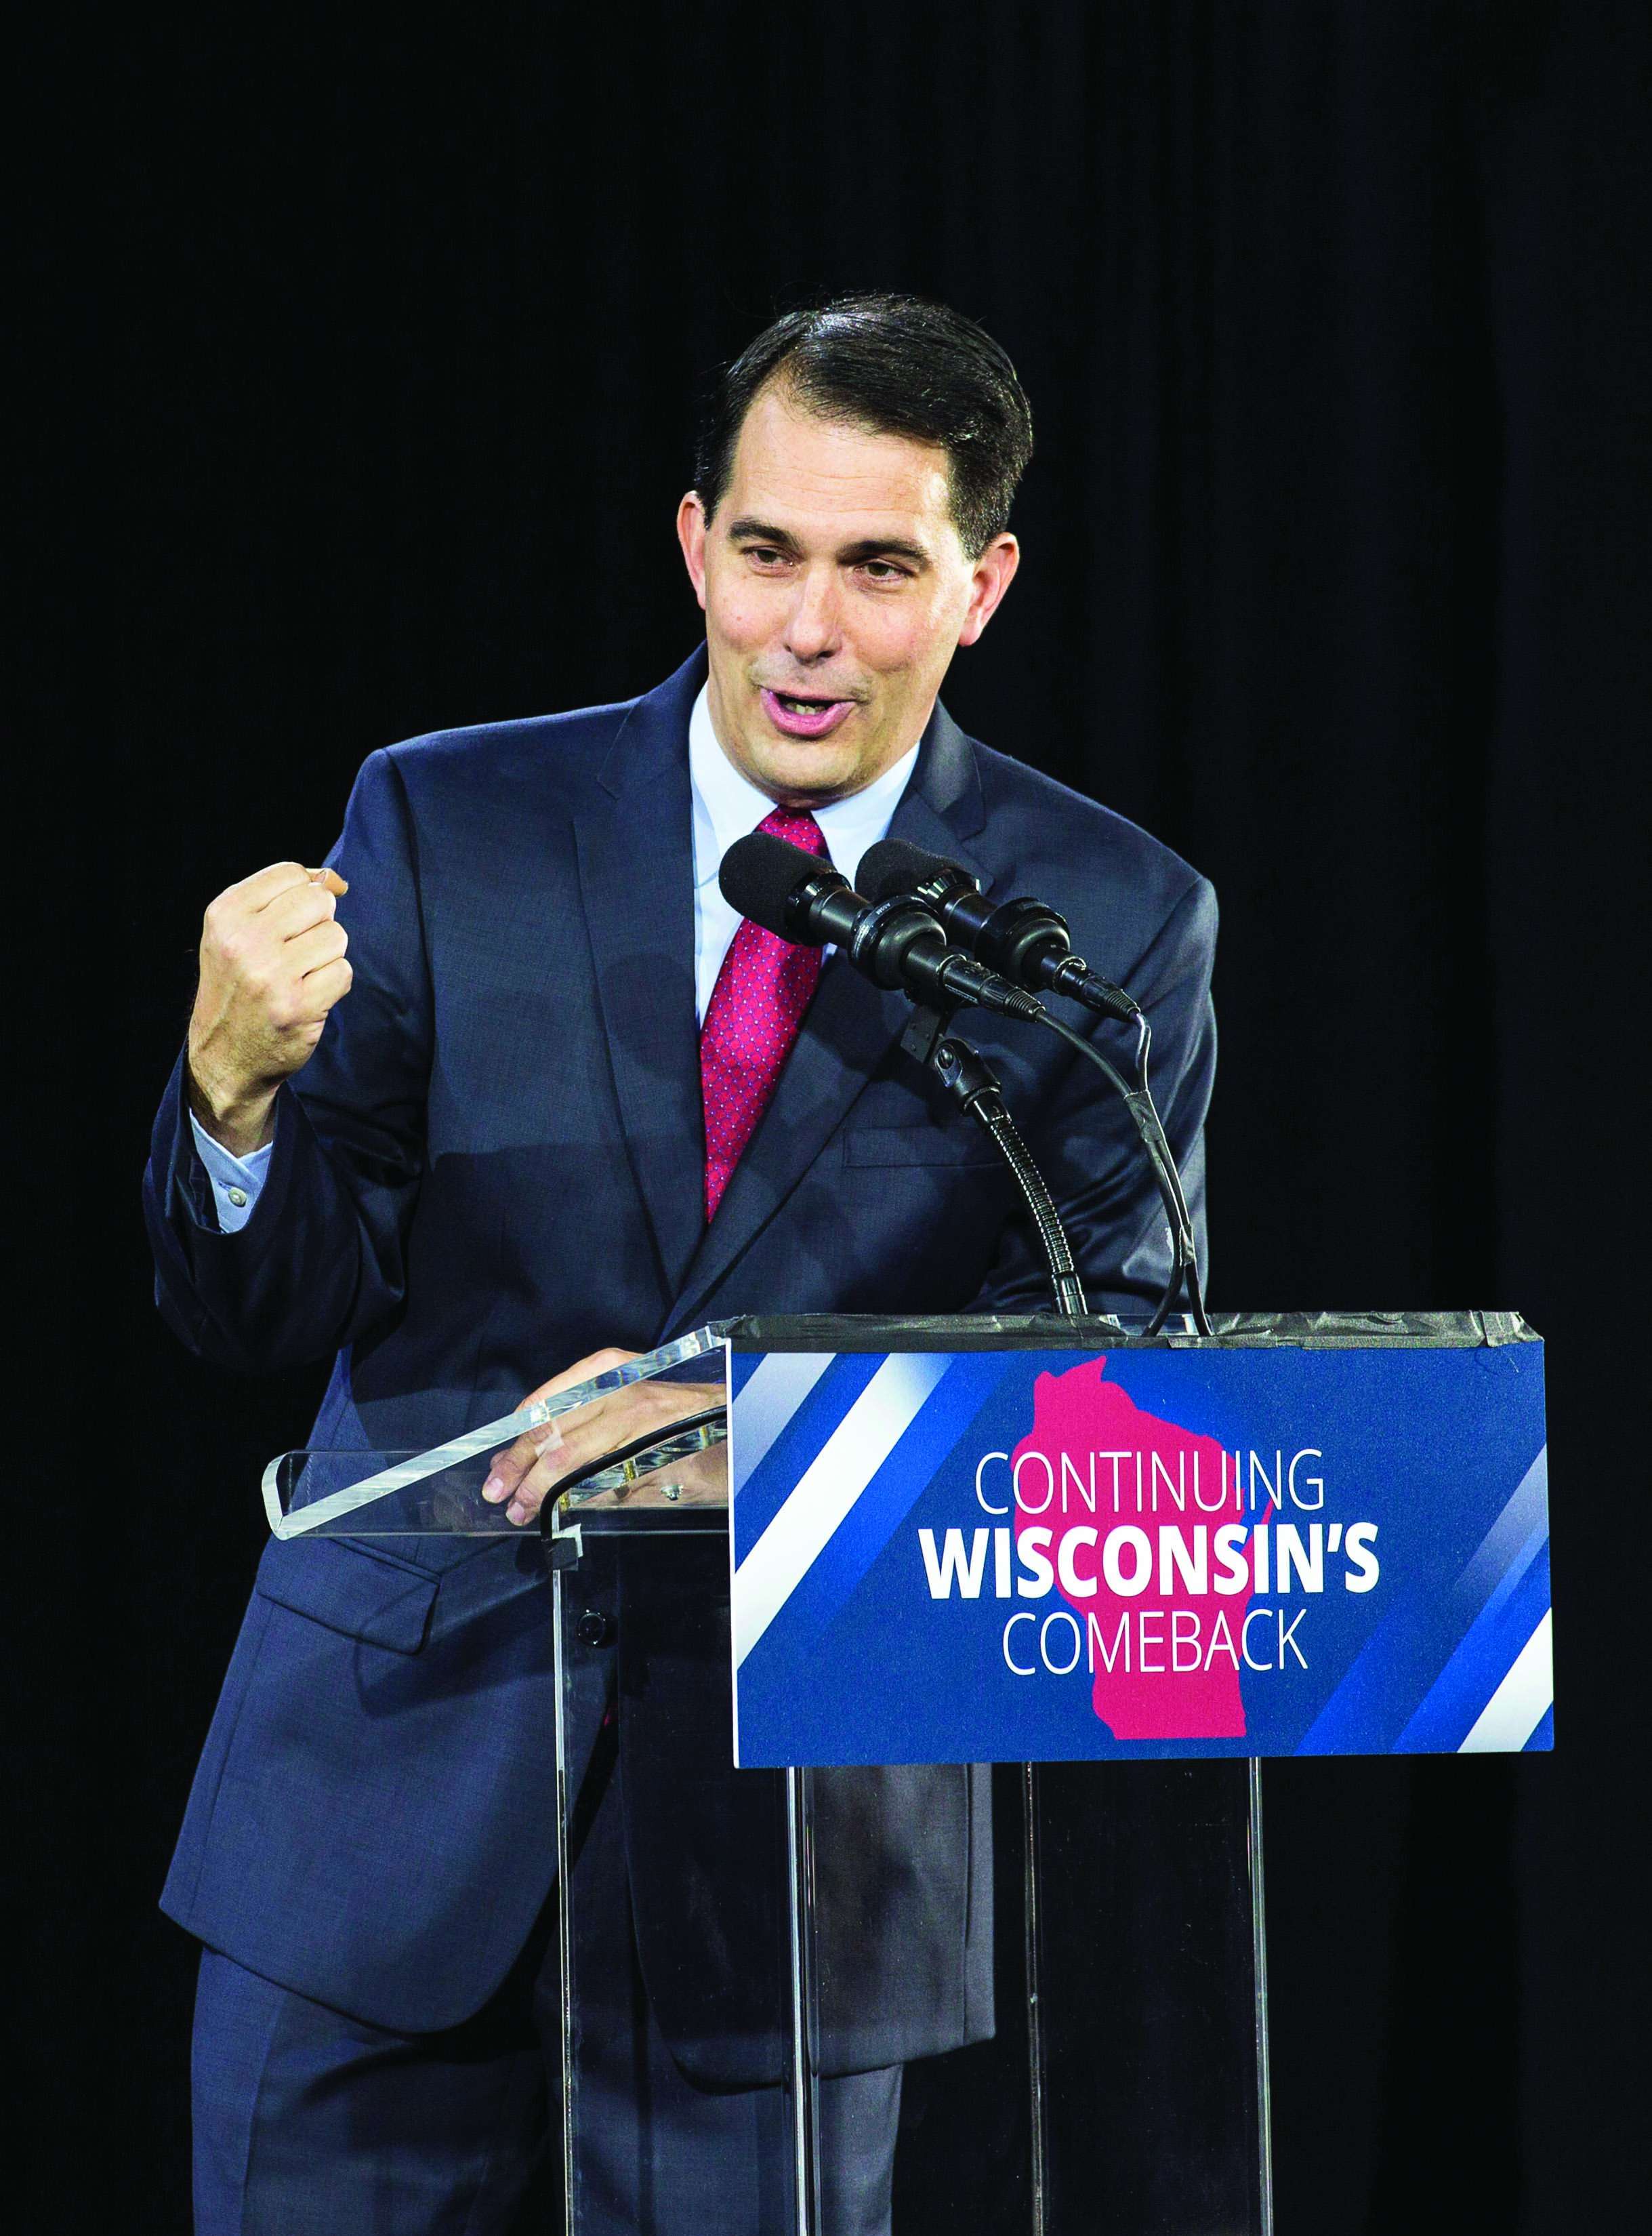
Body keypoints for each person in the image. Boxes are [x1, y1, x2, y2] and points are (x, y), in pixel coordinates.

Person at [146, 293, 1218, 2234]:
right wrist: (229, 1105)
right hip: (377, 1825)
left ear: (980, 585)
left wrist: (758, 1434)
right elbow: (260, 1310)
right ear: (694, 543)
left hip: (793, 1885)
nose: (808, 628)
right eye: (768, 552)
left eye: (879, 568)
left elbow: (1123, 1360)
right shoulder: (447, 819)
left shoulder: (1104, 920)